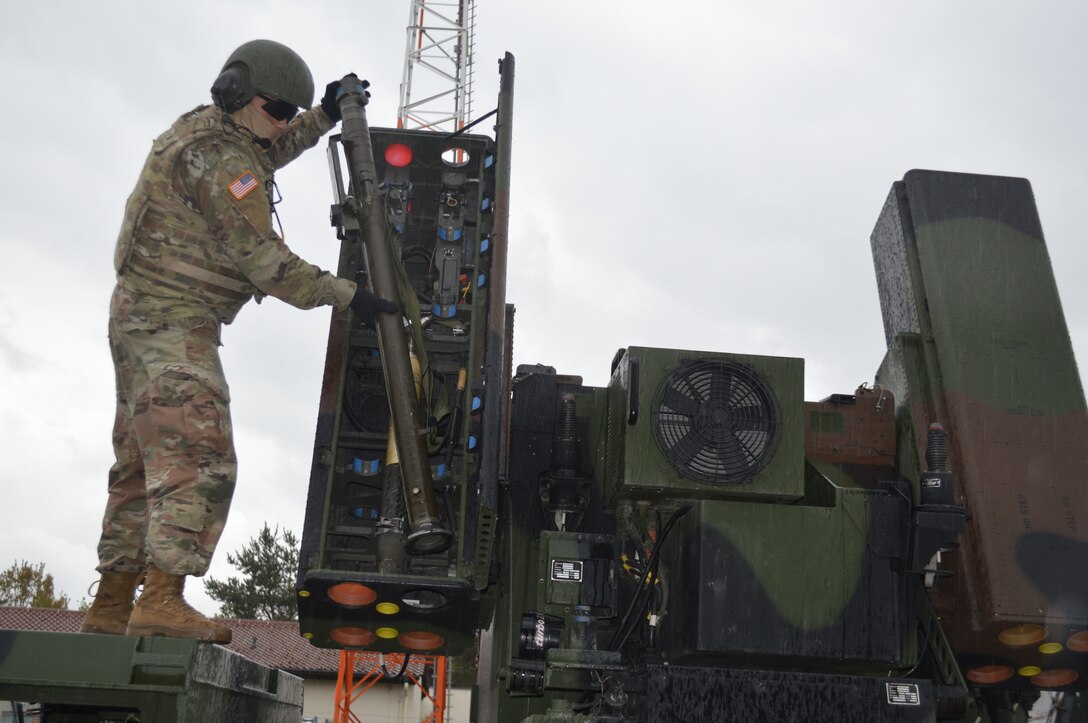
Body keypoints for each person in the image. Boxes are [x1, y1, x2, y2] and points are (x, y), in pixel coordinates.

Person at [80, 39, 395, 643]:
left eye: (287, 113)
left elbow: (270, 150)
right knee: (200, 450)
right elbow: (266, 264)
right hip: (172, 321)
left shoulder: (219, 134)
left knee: (139, 466)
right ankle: (162, 599)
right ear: (239, 93)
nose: (281, 123)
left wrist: (321, 117)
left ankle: (112, 607)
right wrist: (349, 294)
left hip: (143, 319)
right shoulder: (218, 161)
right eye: (278, 109)